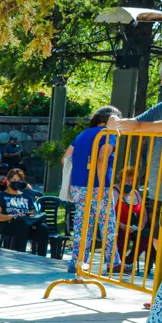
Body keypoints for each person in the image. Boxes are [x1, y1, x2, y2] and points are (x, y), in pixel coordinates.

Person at [65, 105, 121, 273]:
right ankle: (113, 262)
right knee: (107, 225)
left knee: (82, 225)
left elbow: (65, 158)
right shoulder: (109, 135)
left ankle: (77, 261)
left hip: (78, 185)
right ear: (111, 120)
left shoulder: (81, 135)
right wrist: (103, 185)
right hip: (98, 186)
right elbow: (102, 158)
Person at [0, 168, 39, 251]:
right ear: (9, 181)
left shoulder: (26, 197)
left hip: (26, 222)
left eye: (19, 180)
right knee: (21, 224)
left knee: (42, 228)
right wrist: (13, 216)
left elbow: (32, 211)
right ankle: (19, 253)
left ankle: (41, 256)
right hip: (9, 223)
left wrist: (27, 214)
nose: (17, 182)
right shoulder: (1, 196)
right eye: (14, 180)